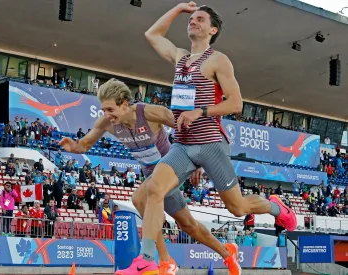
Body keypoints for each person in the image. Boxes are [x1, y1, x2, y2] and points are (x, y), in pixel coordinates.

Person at [115, 2, 298, 274]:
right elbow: (152, 35)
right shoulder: (179, 57)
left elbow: (236, 104)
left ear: (212, 30)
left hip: (210, 143)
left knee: (237, 207)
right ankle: (148, 260)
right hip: (182, 144)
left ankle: (275, 207)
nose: (194, 22)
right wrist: (178, 9)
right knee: (154, 190)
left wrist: (201, 111)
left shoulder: (218, 60)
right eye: (192, 18)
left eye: (200, 19)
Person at [60, 78, 238, 275]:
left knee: (138, 199)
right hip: (152, 178)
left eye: (110, 110)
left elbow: (191, 129)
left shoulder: (151, 113)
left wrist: (199, 163)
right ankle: (228, 253)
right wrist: (74, 147)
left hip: (172, 169)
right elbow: (85, 144)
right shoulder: (107, 123)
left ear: (126, 104)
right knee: (188, 225)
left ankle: (163, 261)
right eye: (104, 110)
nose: (106, 115)